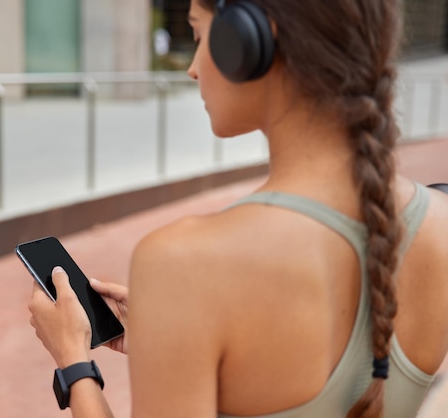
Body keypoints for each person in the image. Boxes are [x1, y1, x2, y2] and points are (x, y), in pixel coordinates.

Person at [28, 0, 448, 417]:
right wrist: (178, 339)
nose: (193, 67)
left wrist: (73, 363)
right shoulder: (440, 221)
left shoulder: (185, 261)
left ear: (248, 39)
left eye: (198, 34)